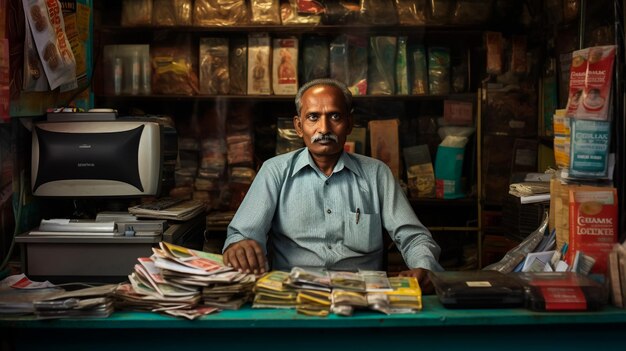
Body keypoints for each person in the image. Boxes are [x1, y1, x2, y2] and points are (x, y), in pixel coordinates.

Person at [223, 78, 443, 291]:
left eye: (335, 116)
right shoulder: (275, 172)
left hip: (362, 298)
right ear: (299, 127)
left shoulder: (376, 174)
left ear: (349, 123)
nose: (324, 128)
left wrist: (424, 266)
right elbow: (242, 235)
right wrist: (240, 247)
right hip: (292, 296)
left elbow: (414, 237)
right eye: (313, 117)